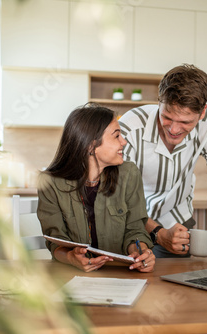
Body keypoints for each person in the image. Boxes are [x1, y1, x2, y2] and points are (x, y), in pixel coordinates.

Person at [118, 64, 207, 258]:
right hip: (130, 225)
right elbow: (118, 196)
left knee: (178, 286)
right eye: (167, 117)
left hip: (177, 225)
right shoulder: (131, 126)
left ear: (202, 113)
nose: (174, 130)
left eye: (185, 122)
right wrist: (158, 234)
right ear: (159, 102)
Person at [37, 103, 155, 272]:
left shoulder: (129, 173)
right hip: (70, 275)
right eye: (117, 136)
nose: (124, 142)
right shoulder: (49, 182)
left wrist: (140, 252)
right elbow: (55, 240)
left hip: (120, 274)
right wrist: (71, 257)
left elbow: (135, 229)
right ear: (91, 146)